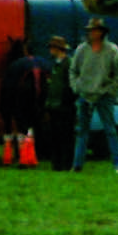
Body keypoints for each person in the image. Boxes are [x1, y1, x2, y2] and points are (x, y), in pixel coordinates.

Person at [71, 18, 118, 171]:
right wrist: (77, 87)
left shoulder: (112, 50)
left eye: (94, 30)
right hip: (85, 95)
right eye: (89, 31)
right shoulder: (82, 50)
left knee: (110, 130)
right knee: (82, 132)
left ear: (102, 32)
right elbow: (73, 70)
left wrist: (109, 90)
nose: (91, 33)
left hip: (104, 96)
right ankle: (77, 165)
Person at [44, 35, 76, 171]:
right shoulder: (56, 65)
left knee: (66, 137)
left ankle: (66, 164)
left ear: (58, 49)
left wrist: (66, 101)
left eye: (52, 47)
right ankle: (56, 164)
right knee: (55, 136)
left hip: (65, 107)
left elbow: (72, 85)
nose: (50, 50)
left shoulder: (68, 64)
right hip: (54, 106)